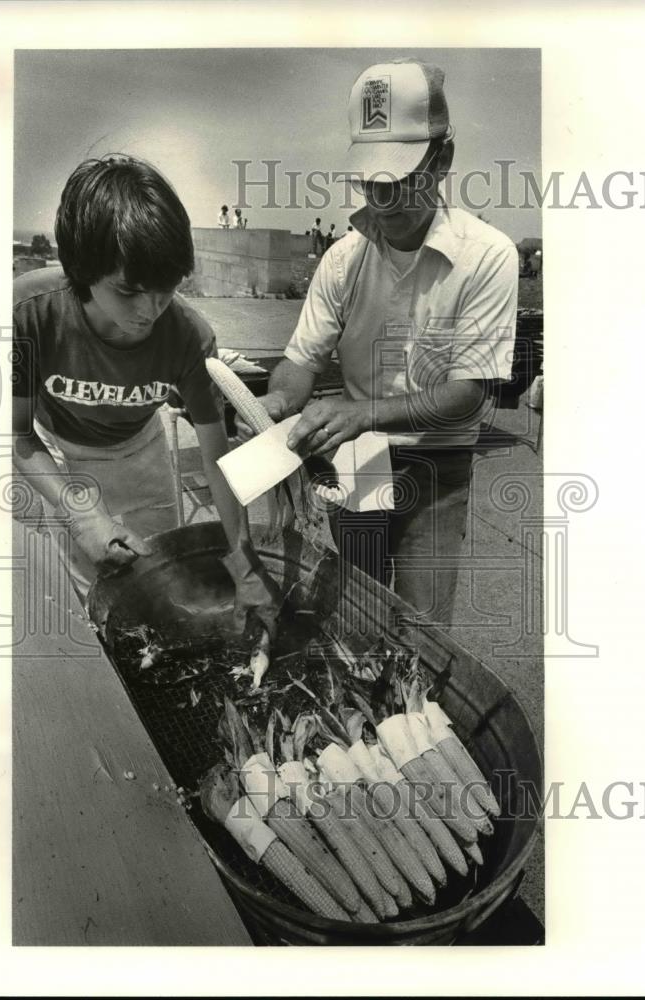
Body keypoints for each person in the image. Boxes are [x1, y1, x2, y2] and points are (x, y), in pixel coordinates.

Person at [240, 59, 518, 625]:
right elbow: (301, 361)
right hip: (358, 458)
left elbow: (468, 394)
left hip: (437, 464)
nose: (383, 199)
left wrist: (362, 412)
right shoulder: (343, 258)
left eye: (401, 177)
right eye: (370, 180)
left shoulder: (487, 256)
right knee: (357, 608)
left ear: (442, 159)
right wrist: (274, 403)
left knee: (420, 624)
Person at [12, 154, 280, 635]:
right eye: (129, 291)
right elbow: (18, 437)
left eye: (167, 289)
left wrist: (244, 563)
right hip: (60, 450)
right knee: (96, 591)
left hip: (140, 445)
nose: (150, 311)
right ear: (82, 270)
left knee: (162, 580)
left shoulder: (188, 337)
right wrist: (81, 511)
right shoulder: (31, 314)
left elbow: (219, 462)